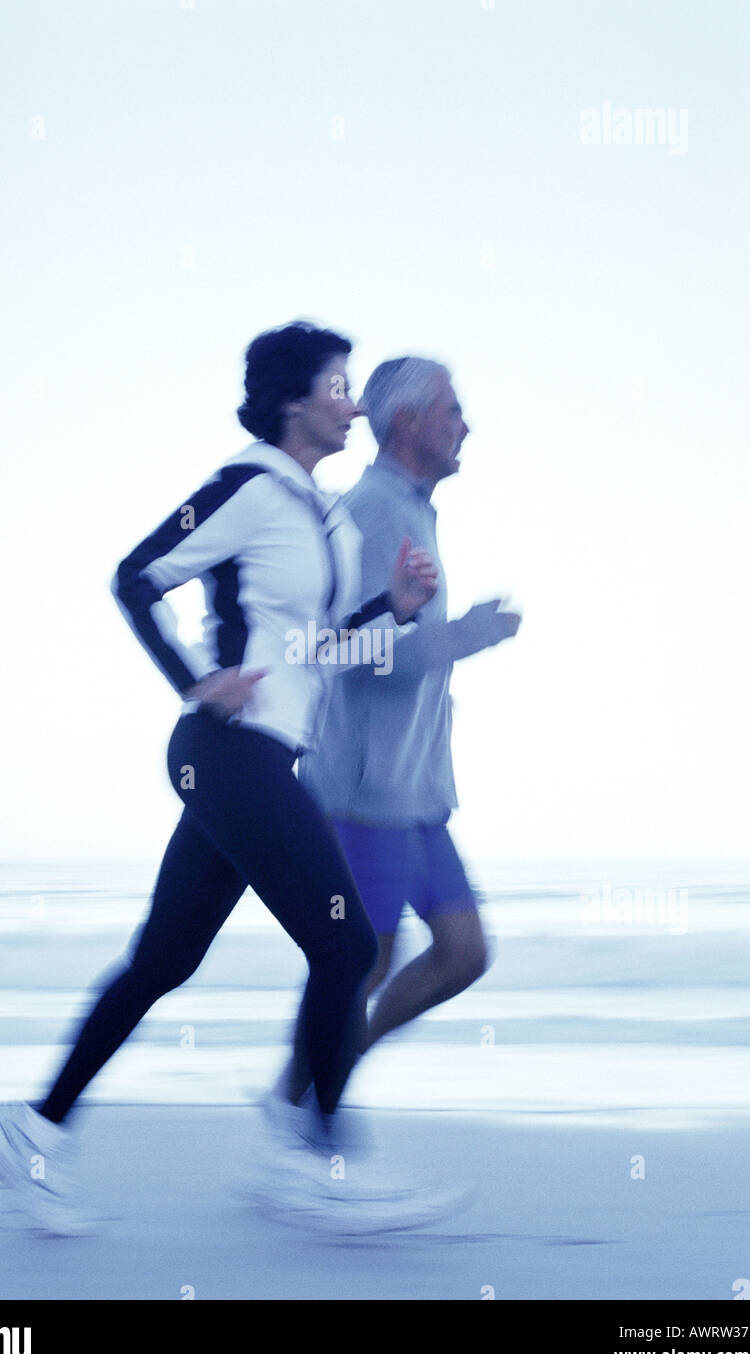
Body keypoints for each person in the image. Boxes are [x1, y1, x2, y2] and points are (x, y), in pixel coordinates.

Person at [0, 323, 448, 1236]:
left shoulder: (322, 516)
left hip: (260, 760)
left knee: (164, 960)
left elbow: (311, 651)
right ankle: (313, 1159)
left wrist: (392, 608)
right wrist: (194, 677)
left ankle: (34, 1129)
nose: (353, 405)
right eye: (339, 388)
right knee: (346, 948)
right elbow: (135, 575)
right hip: (225, 753)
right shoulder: (247, 489)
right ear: (291, 400)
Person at [277, 356, 521, 1110]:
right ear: (409, 424)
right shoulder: (372, 511)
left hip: (411, 791)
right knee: (361, 963)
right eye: (451, 410)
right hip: (362, 791)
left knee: (460, 953)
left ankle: (326, 1070)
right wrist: (472, 634)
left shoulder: (411, 509)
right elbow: (361, 655)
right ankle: (301, 1114)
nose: (465, 424)